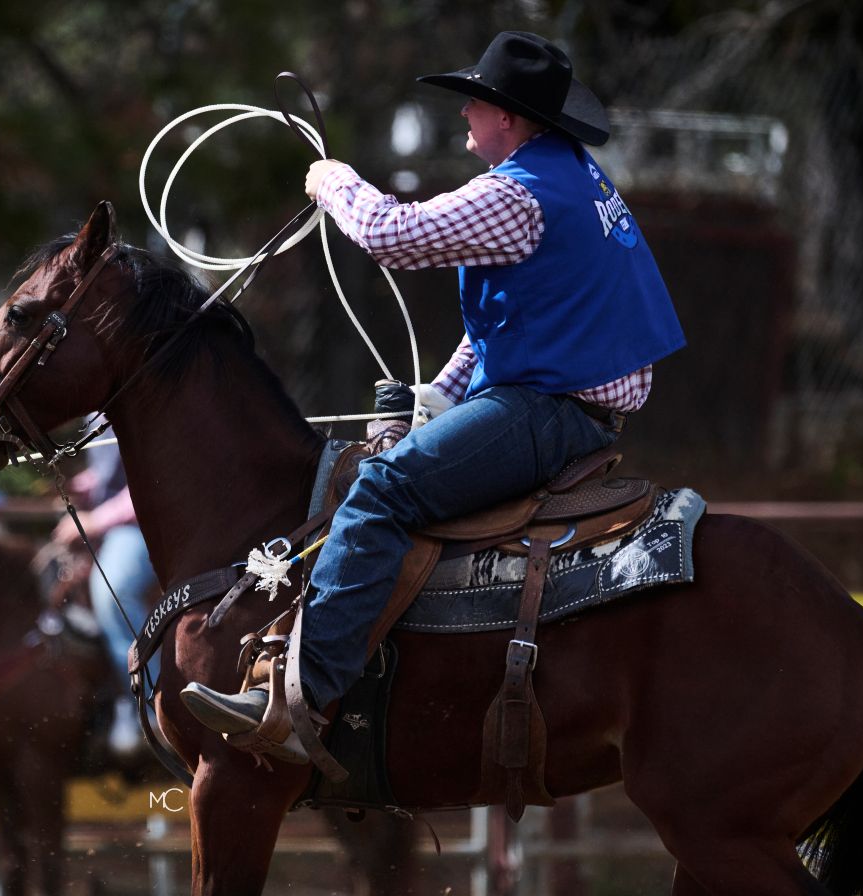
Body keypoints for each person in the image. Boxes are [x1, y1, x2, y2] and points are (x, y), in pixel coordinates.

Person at [182, 31, 686, 762]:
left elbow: (393, 235)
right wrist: (439, 396)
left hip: (549, 410)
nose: (463, 119)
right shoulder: (570, 175)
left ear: (506, 118)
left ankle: (299, 702)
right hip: (563, 403)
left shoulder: (516, 192)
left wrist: (331, 181)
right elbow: (511, 317)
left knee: (382, 489)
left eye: (474, 105)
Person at [50, 429, 158, 760]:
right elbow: (112, 470)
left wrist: (96, 518)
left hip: (145, 523)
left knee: (113, 589)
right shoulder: (94, 413)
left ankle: (147, 705)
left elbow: (150, 477)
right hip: (113, 520)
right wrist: (80, 485)